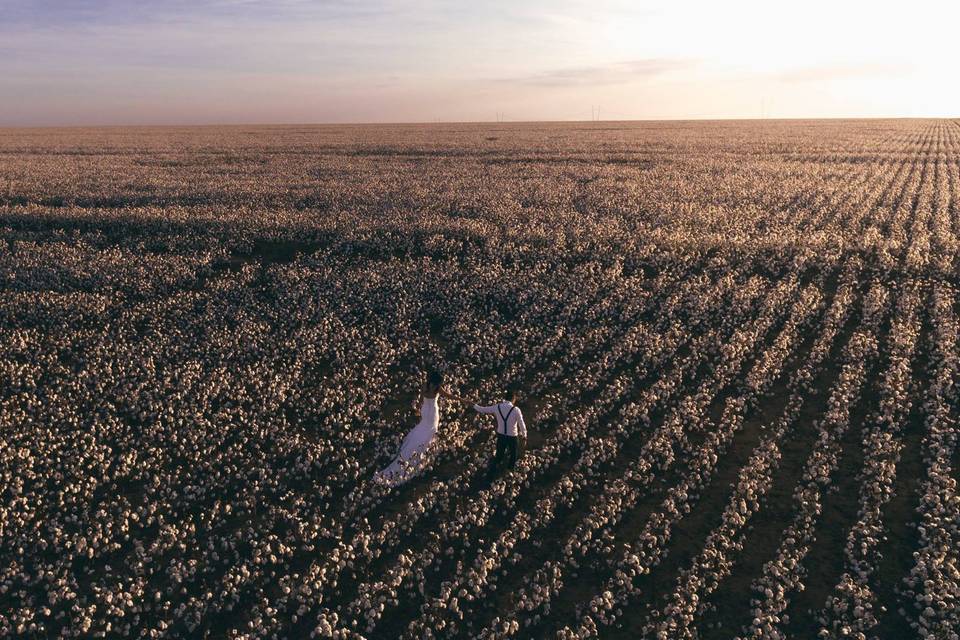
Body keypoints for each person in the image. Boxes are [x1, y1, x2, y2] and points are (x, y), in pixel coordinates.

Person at [375, 370, 467, 487]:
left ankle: (411, 449)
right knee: (431, 430)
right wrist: (462, 400)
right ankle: (426, 446)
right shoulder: (438, 389)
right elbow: (450, 396)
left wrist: (418, 409)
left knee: (422, 428)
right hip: (433, 412)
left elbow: (420, 399)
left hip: (425, 410)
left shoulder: (425, 386)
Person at [472, 386, 527, 484]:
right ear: (513, 398)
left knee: (499, 456)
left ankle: (491, 474)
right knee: (513, 455)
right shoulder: (516, 410)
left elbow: (483, 409)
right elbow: (521, 423)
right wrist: (524, 435)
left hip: (501, 435)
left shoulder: (497, 407)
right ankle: (509, 472)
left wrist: (474, 405)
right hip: (512, 437)